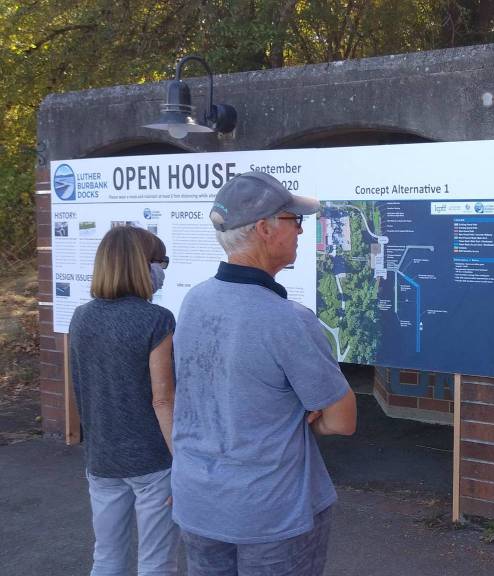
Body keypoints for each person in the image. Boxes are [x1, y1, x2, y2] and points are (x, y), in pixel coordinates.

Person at [171, 171, 357, 576]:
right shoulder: (287, 318)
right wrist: (308, 421)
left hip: (197, 499)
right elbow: (342, 420)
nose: (301, 233)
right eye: (295, 221)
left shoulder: (194, 300)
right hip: (271, 511)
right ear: (264, 229)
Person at [68, 225, 178, 576]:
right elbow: (163, 401)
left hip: (102, 457)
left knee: (106, 557)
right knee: (156, 562)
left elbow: (81, 385)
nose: (163, 270)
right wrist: (184, 461)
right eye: (161, 262)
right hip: (153, 460)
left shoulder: (81, 316)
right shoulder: (157, 320)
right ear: (143, 265)